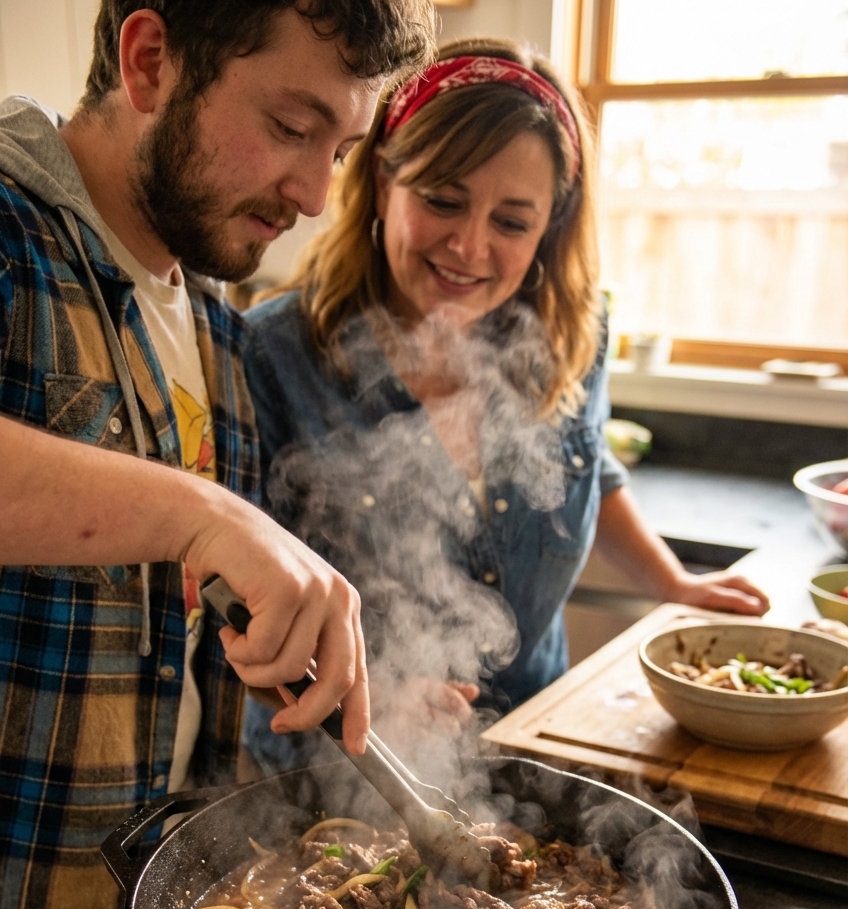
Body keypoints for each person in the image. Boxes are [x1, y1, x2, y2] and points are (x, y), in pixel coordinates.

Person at [0, 0, 435, 909]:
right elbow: (187, 524)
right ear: (150, 60)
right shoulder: (13, 234)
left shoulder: (212, 327)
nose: (316, 193)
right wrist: (198, 511)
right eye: (291, 127)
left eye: (339, 147)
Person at [241, 38, 769, 781]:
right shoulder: (269, 355)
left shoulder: (571, 338)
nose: (469, 245)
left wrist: (672, 583)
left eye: (512, 222)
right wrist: (374, 692)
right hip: (345, 777)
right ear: (384, 179)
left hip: (533, 756)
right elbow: (235, 608)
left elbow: (593, 471)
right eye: (443, 200)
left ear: (550, 228)